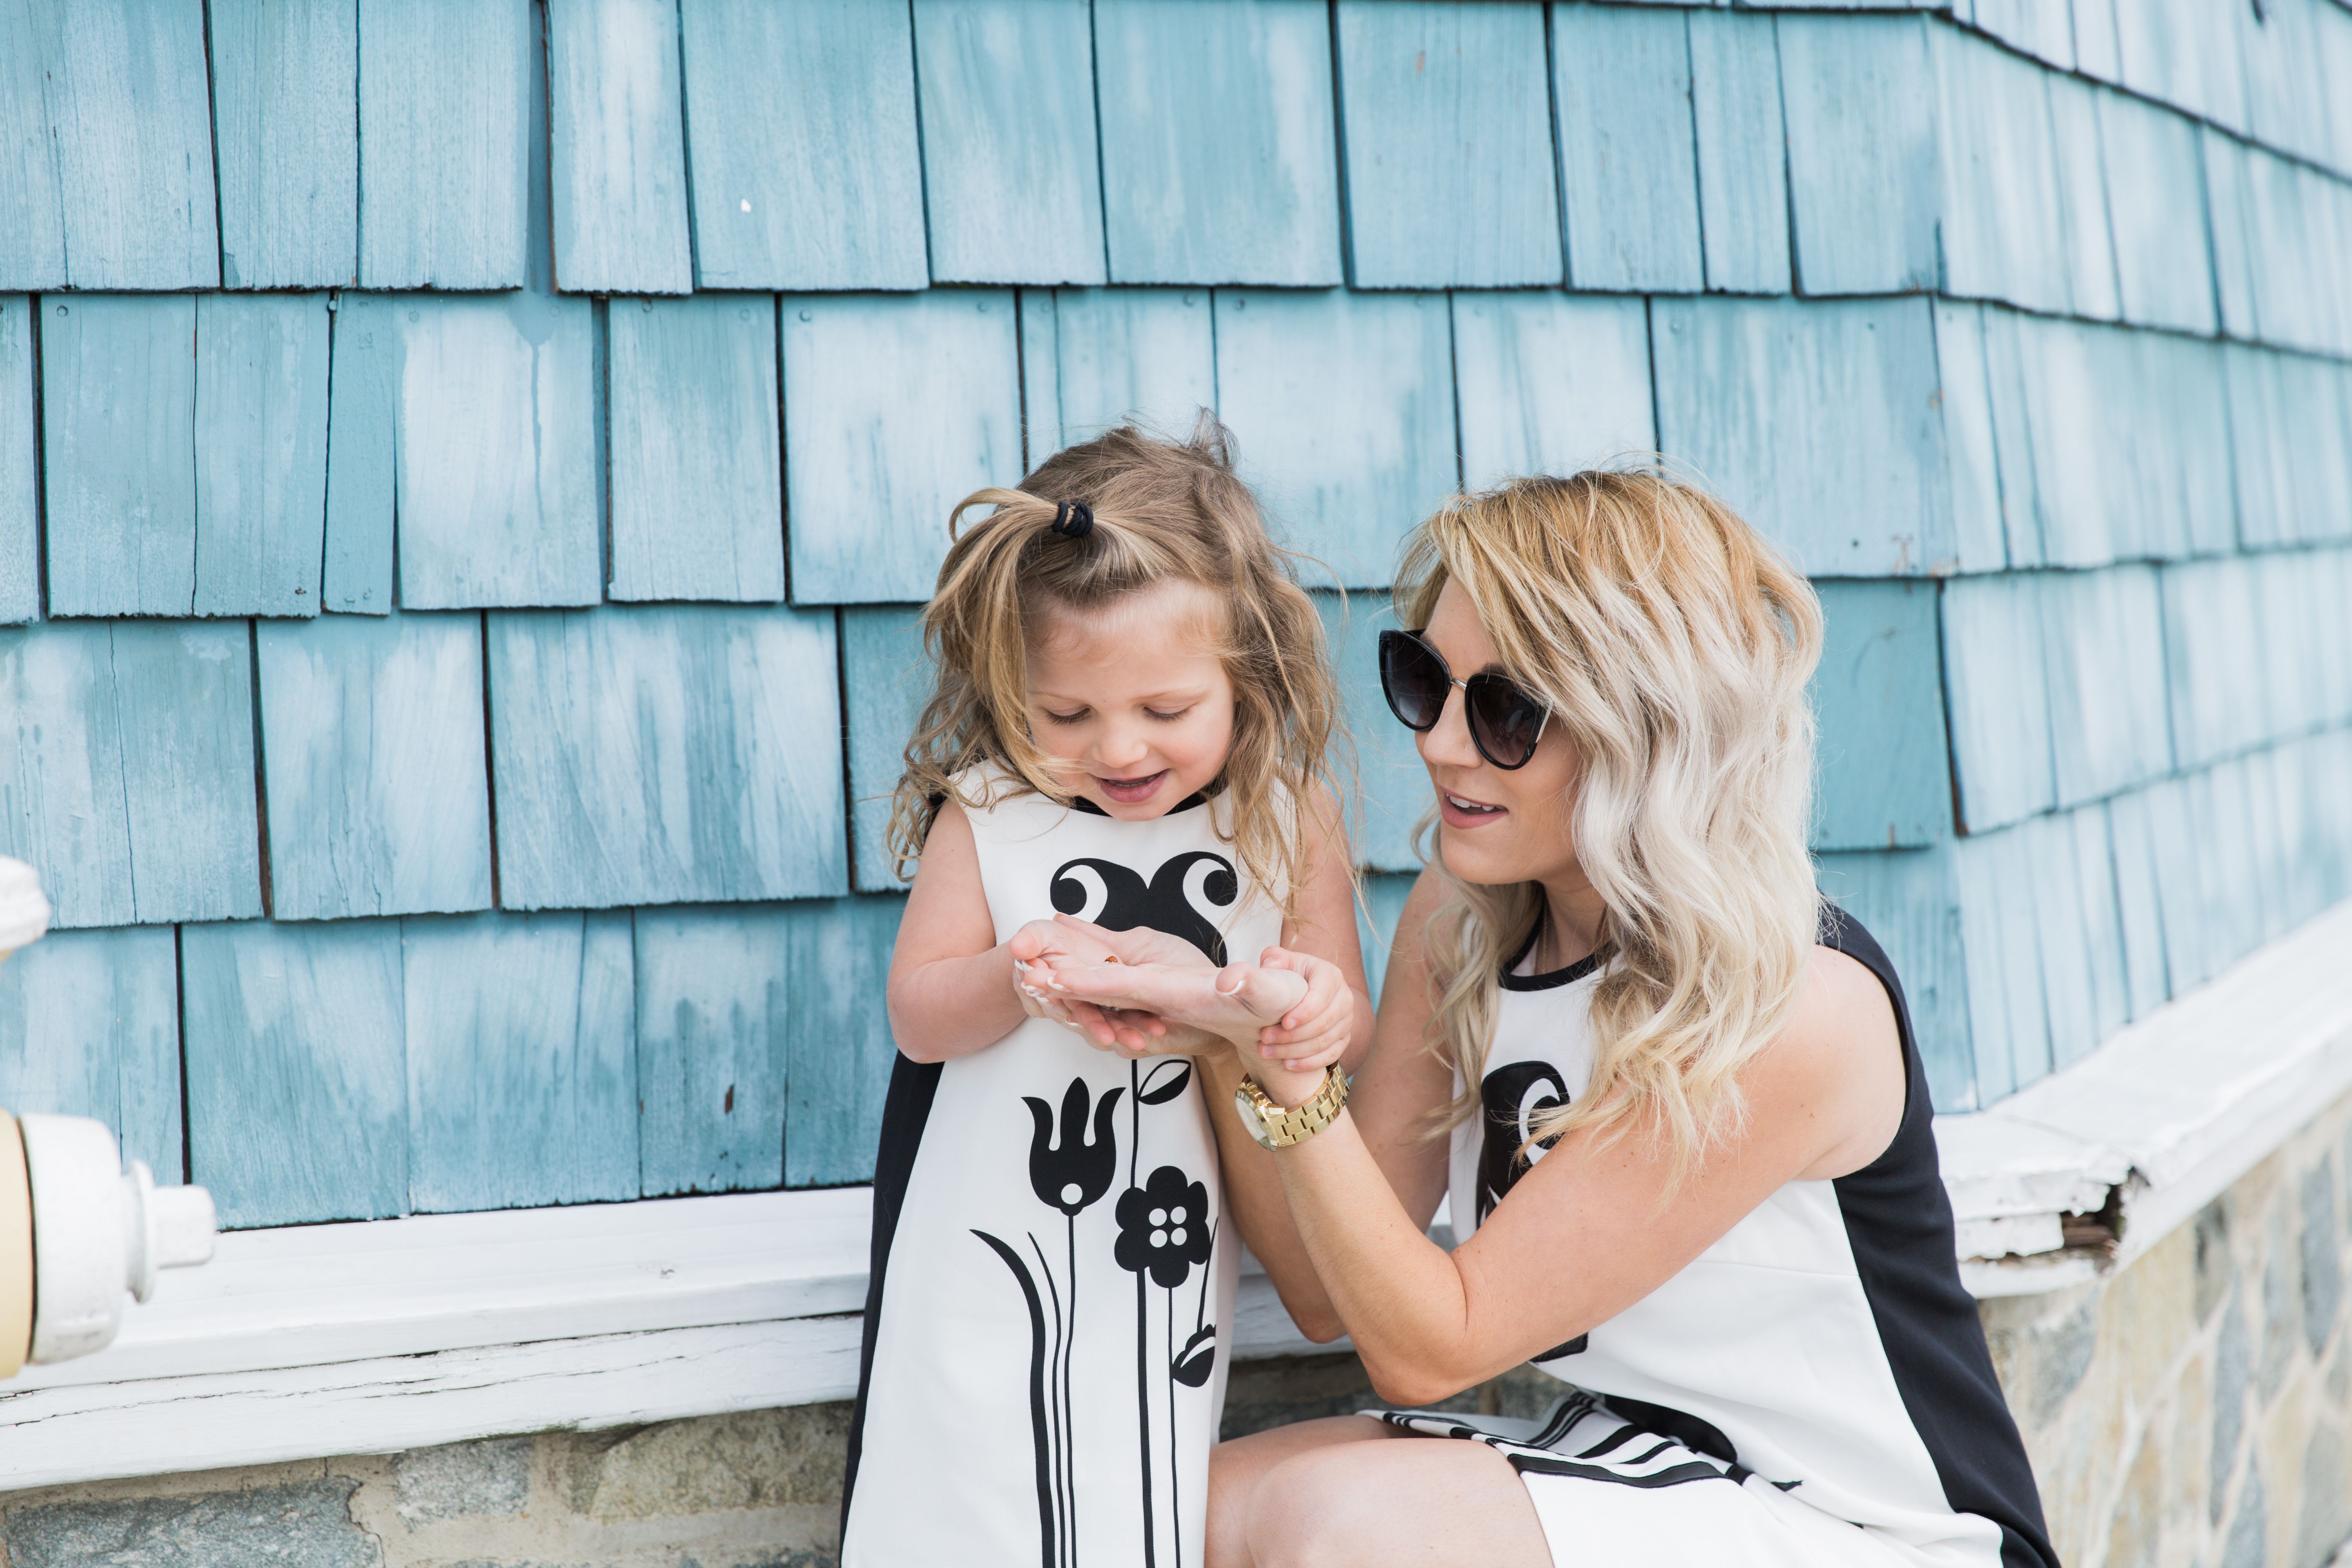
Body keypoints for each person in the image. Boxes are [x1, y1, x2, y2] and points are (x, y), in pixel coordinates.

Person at [1036, 472, 2058, 1568]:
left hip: (1869, 1529)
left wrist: (1288, 1066)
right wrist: (1226, 1031)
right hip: (1641, 1465)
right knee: (1158, 1511)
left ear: (1646, 728)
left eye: (1508, 709)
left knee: (1334, 1527)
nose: (1439, 744)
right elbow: (1332, 1290)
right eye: (1425, 680)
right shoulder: (1463, 919)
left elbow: (1433, 1348)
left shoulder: (1789, 1007)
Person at [840, 419, 1375, 1568]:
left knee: (1127, 1472)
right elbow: (920, 1014)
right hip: (990, 1227)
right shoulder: (990, 813)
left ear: (1246, 672)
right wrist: (1018, 971)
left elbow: (1341, 1005)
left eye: (1165, 712)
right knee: (974, 1469)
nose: (1118, 750)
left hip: (1162, 1236)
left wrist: (1313, 1011)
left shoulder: (1284, 816)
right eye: (1067, 716)